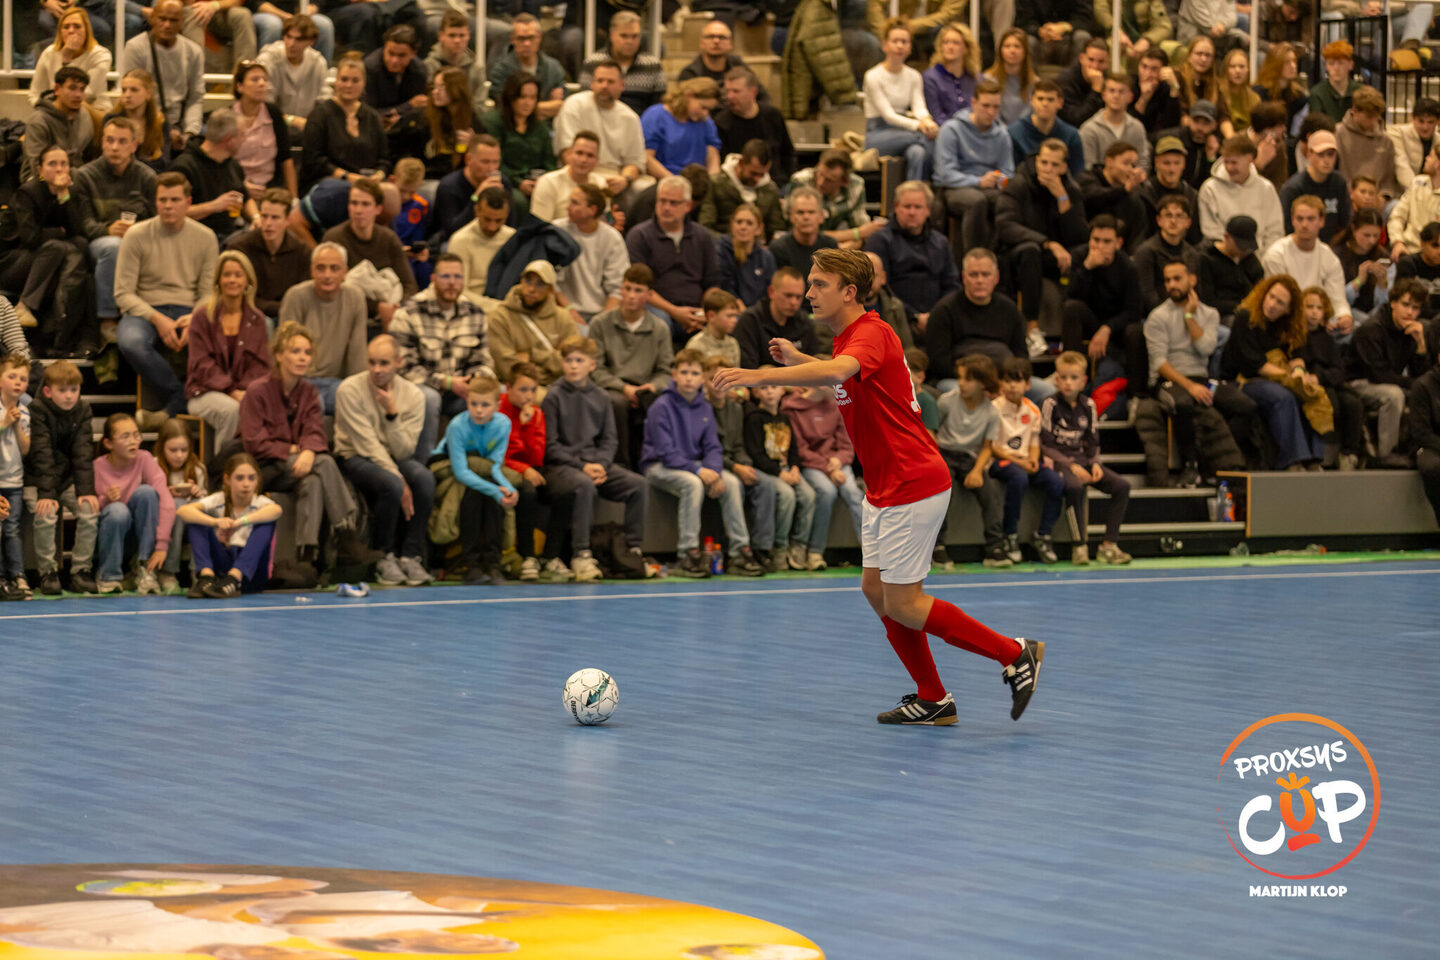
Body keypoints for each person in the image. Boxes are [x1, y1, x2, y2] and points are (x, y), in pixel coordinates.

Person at [712, 248, 1044, 723]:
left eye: (819, 284)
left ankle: (1013, 653)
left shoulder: (869, 333)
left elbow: (838, 372)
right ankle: (933, 698)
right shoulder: (850, 339)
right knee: (876, 590)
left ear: (849, 292)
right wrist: (801, 358)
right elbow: (844, 378)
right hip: (884, 485)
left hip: (913, 480)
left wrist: (759, 375)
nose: (809, 293)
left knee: (905, 603)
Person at [240, 320, 369, 580]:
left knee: (313, 481)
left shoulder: (309, 392)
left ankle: (306, 558)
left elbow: (315, 432)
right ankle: (346, 533)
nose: (302, 358)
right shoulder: (257, 391)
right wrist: (294, 450)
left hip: (297, 467)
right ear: (279, 355)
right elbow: (254, 442)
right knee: (325, 463)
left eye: (307, 352)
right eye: (295, 351)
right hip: (263, 467)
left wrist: (308, 451)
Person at [640, 348, 764, 578]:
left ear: (702, 378)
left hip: (694, 465)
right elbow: (666, 453)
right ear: (674, 374)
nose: (689, 378)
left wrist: (714, 472)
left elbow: (713, 447)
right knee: (693, 484)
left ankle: (739, 552)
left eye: (695, 373)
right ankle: (688, 554)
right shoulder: (661, 406)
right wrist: (699, 470)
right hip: (659, 466)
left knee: (731, 482)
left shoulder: (704, 407)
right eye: (684, 372)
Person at [542, 335, 650, 580]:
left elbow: (610, 440)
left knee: (639, 485)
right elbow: (550, 446)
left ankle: (632, 551)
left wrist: (600, 464)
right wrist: (583, 466)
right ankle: (581, 555)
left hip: (596, 464)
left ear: (592, 365)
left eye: (579, 360)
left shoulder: (602, 397)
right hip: (562, 466)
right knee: (583, 484)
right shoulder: (553, 396)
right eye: (568, 360)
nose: (573, 366)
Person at [116, 171, 219, 419]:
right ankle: (180, 395)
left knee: (219, 339)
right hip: (146, 310)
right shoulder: (136, 234)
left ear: (188, 202)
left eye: (174, 200)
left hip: (189, 309)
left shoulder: (206, 237)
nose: (168, 206)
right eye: (162, 200)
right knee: (131, 342)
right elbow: (123, 293)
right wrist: (157, 319)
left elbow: (208, 293)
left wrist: (195, 317)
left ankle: (176, 408)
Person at [334, 334, 434, 587]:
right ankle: (383, 555)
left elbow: (404, 451)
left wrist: (392, 414)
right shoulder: (349, 389)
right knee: (392, 484)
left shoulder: (413, 395)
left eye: (384, 363)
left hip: (392, 457)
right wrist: (398, 477)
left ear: (399, 362)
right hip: (355, 455)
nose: (376, 369)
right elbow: (365, 443)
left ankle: (410, 556)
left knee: (424, 478)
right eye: (372, 362)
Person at [1145, 259, 1251, 485]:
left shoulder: (1209, 314)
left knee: (1245, 406)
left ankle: (1215, 461)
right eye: (1167, 280)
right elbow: (1159, 363)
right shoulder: (1158, 316)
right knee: (1183, 403)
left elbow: (1206, 349)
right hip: (1168, 380)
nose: (1171, 285)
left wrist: (1189, 317)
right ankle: (1190, 465)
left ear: (1192, 280)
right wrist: (1189, 386)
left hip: (1201, 377)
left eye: (1177, 279)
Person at [390, 253, 495, 466]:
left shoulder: (475, 313)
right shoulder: (409, 312)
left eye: (457, 277)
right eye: (446, 276)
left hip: (460, 389)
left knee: (493, 392)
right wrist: (446, 382)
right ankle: (425, 463)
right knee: (430, 398)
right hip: (421, 387)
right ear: (433, 279)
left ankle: (479, 464)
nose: (452, 283)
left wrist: (475, 380)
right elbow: (404, 367)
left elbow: (483, 359)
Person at [1219, 273, 1325, 469]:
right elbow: (1256, 365)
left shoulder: (1288, 326)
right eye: (1271, 297)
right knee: (1283, 396)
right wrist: (1291, 379)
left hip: (1273, 377)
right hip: (1241, 380)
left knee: (1314, 394)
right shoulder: (1246, 317)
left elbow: (1297, 355)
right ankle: (1291, 461)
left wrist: (1300, 374)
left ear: (1288, 309)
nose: (1272, 304)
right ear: (1264, 294)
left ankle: (1315, 460)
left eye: (1280, 303)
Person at [0, 144, 92, 358]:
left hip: (44, 263)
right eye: (52, 164)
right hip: (11, 262)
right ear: (40, 170)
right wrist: (59, 232)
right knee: (56, 247)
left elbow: (78, 231)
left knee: (78, 247)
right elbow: (30, 238)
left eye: (64, 164)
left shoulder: (70, 192)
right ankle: (24, 305)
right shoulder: (27, 193)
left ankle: (62, 333)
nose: (59, 169)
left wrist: (63, 196)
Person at [1041, 350, 1133, 564]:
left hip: (1083, 460)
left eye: (1073, 378)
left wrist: (1095, 463)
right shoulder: (1050, 404)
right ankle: (1079, 546)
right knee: (1074, 487)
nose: (1068, 383)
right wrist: (1071, 466)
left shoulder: (1089, 405)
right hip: (1059, 462)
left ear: (1083, 381)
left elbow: (1092, 442)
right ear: (1056, 379)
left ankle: (1108, 546)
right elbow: (1046, 444)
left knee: (1122, 486)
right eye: (1063, 377)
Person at [995, 138, 1088, 344]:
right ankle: (1032, 329)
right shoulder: (1018, 184)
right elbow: (1005, 226)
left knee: (1087, 254)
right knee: (1031, 251)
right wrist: (1047, 243)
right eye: (1044, 162)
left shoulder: (1070, 190)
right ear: (1037, 161)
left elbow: (1079, 236)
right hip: (1017, 253)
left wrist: (1062, 199)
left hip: (1055, 256)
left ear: (1063, 168)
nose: (1048, 169)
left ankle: (1076, 332)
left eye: (1054, 164)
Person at [430, 374, 516, 586]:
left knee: (494, 495)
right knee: (474, 493)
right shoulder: (457, 426)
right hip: (447, 468)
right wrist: (496, 491)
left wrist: (508, 489)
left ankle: (493, 563)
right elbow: (461, 472)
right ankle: (471, 565)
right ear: (466, 402)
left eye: (485, 405)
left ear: (497, 406)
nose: (478, 410)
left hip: (482, 470)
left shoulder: (504, 424)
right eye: (473, 404)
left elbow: (495, 465)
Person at [924, 248, 1044, 398]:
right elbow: (939, 362)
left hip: (1005, 381)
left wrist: (1005, 382)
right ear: (964, 277)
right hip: (959, 380)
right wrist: (981, 383)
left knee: (1046, 392)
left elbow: (1021, 355)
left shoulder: (1009, 309)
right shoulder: (944, 310)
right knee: (961, 393)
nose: (979, 280)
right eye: (973, 275)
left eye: (985, 274)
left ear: (996, 277)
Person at [72, 117, 154, 336]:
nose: (115, 147)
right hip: (100, 243)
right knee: (113, 246)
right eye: (110, 140)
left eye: (122, 141)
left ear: (134, 146)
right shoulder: (85, 176)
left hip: (139, 242)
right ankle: (108, 319)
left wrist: (137, 232)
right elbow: (83, 224)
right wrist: (107, 230)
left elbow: (157, 222)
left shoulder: (147, 177)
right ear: (102, 143)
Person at [186, 250, 273, 452]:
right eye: (227, 275)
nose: (232, 280)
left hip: (245, 393)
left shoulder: (258, 320)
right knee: (232, 411)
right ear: (218, 280)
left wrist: (245, 392)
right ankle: (224, 468)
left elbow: (261, 366)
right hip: (204, 393)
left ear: (247, 281)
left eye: (238, 275)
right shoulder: (202, 317)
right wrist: (231, 390)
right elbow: (201, 364)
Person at [24, 360, 98, 595]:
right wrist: (47, 494)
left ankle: (80, 571)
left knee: (89, 509)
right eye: (62, 390)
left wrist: (86, 491)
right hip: (36, 478)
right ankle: (47, 572)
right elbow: (41, 454)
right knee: (46, 513)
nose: (69, 396)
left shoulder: (83, 409)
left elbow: (83, 453)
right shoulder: (37, 410)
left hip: (66, 479)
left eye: (73, 390)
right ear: (48, 391)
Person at [702, 356, 781, 571]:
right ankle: (739, 552)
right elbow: (706, 450)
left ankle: (762, 549)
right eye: (712, 378)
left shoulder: (735, 409)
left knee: (766, 483)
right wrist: (735, 468)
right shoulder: (701, 408)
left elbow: (738, 445)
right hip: (712, 464)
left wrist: (745, 466)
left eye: (723, 378)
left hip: (734, 462)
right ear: (704, 381)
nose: (718, 384)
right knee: (734, 484)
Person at [1345, 277, 1433, 467]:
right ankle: (1387, 455)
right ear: (1393, 302)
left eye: (1416, 308)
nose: (1410, 312)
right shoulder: (1371, 329)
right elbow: (1378, 375)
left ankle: (1420, 451)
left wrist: (1421, 346)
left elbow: (1421, 376)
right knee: (1394, 395)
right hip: (1357, 383)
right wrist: (1416, 385)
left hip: (1388, 381)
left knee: (1424, 393)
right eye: (1405, 305)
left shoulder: (1411, 330)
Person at [626, 175, 722, 348]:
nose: (666, 207)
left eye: (673, 203)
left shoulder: (702, 236)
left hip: (695, 309)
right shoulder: (639, 236)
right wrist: (675, 312)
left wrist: (705, 312)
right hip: (657, 307)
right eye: (662, 201)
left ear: (688, 206)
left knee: (725, 319)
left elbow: (712, 283)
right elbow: (640, 288)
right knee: (660, 322)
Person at [933, 354, 1010, 567]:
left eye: (968, 379)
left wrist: (977, 471)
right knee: (942, 491)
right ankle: (937, 546)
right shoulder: (946, 401)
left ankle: (995, 547)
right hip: (943, 453)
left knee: (990, 493)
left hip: (969, 458)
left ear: (983, 383)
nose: (961, 383)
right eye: (960, 378)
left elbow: (987, 447)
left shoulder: (991, 412)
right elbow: (932, 434)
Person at [276, 241, 367, 415]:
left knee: (356, 401)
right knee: (315, 403)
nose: (327, 275)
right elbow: (286, 350)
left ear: (345, 272)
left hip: (336, 383)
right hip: (300, 381)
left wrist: (360, 391)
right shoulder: (295, 296)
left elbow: (357, 351)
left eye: (334, 268)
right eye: (321, 268)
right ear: (312, 271)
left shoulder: (355, 298)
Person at [1062, 215, 1147, 396]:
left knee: (1135, 330)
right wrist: (1087, 268)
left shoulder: (1128, 267)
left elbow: (1133, 311)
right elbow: (1069, 296)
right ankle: (1070, 378)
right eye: (1095, 240)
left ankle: (1137, 395)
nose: (1099, 246)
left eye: (1106, 241)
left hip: (1116, 327)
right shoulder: (1080, 256)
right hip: (1089, 320)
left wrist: (1108, 328)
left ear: (1118, 243)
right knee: (1071, 308)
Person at [990, 356, 1064, 562]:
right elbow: (991, 447)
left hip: (1024, 460)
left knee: (1056, 482)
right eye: (1007, 381)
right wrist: (1020, 463)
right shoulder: (993, 408)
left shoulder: (1032, 409)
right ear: (1000, 384)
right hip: (1000, 460)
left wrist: (1032, 460)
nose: (1012, 386)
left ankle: (1043, 535)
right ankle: (1010, 535)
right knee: (1019, 478)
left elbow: (1033, 442)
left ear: (1028, 384)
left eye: (1017, 380)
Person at [93, 412, 176, 595]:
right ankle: (108, 576)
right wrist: (106, 499)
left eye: (136, 435)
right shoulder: (98, 466)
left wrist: (162, 545)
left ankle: (144, 568)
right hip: (109, 533)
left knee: (147, 493)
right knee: (117, 510)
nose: (133, 441)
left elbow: (166, 500)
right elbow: (90, 510)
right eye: (125, 436)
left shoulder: (145, 458)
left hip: (139, 535)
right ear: (108, 443)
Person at [175, 452, 279, 598]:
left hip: (250, 573)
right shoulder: (219, 499)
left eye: (251, 478)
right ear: (227, 479)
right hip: (224, 565)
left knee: (266, 522)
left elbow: (276, 510)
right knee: (197, 519)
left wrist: (239, 523)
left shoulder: (260, 502)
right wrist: (215, 522)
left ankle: (235, 578)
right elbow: (183, 511)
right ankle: (206, 577)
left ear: (258, 480)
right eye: (239, 478)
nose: (246, 484)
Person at [743, 373, 818, 571]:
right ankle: (779, 547)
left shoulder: (785, 418)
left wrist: (794, 468)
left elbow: (793, 449)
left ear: (782, 390)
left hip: (787, 470)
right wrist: (779, 473)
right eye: (764, 388)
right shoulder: (754, 418)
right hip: (768, 471)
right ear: (756, 392)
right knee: (787, 496)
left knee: (809, 495)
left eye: (774, 387)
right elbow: (756, 454)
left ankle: (798, 546)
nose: (769, 391)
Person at [322, 180, 418, 330]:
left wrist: (395, 308)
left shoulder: (389, 239)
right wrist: (377, 307)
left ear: (378, 209)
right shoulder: (334, 239)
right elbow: (331, 287)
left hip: (391, 315)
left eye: (365, 204)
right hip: (345, 317)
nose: (358, 210)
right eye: (354, 203)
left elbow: (409, 285)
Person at [934, 81, 1013, 260]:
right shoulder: (952, 129)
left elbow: (1008, 171)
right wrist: (978, 181)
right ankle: (973, 260)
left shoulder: (1002, 134)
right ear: (974, 103)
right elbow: (945, 174)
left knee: (1007, 201)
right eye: (986, 106)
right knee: (976, 201)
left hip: (989, 187)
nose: (991, 112)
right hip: (954, 187)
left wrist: (998, 178)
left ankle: (996, 259)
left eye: (996, 107)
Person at [553, 61, 648, 207]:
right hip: (579, 171)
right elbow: (567, 154)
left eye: (610, 82)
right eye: (600, 81)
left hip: (615, 176)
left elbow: (635, 162)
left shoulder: (630, 118)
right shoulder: (574, 105)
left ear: (622, 86)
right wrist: (591, 179)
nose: (604, 86)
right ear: (592, 83)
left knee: (646, 190)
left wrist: (625, 179)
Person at [866, 181, 959, 330]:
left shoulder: (941, 242)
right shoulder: (880, 240)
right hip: (895, 320)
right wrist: (914, 317)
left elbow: (952, 285)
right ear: (896, 207)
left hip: (937, 319)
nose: (912, 212)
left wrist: (935, 315)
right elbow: (881, 288)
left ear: (928, 210)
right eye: (907, 206)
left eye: (918, 207)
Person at [118, 0, 205, 153]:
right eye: (162, 19)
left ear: (182, 22)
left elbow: (195, 98)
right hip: (147, 124)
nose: (167, 25)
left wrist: (189, 133)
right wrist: (162, 129)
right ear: (152, 18)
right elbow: (132, 96)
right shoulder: (135, 48)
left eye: (173, 20)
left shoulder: (194, 52)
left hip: (181, 124)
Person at [299, 53, 390, 196]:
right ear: (336, 81)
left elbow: (384, 158)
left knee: (391, 193)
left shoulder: (372, 116)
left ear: (364, 83)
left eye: (355, 80)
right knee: (344, 190)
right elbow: (314, 161)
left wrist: (379, 174)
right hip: (328, 182)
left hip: (367, 183)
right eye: (344, 79)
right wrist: (348, 177)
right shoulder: (320, 115)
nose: (349, 85)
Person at [1262, 195, 1352, 336]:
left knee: (1353, 329)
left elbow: (1337, 297)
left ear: (1321, 221)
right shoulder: (1276, 255)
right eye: (1299, 219)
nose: (1304, 225)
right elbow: (1278, 302)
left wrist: (1344, 316)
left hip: (1318, 318)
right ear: (1292, 221)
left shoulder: (1329, 257)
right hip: (1285, 320)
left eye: (1310, 219)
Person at [863, 20, 939, 183]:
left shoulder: (914, 76)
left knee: (918, 152)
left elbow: (919, 108)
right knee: (924, 138)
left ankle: (913, 193)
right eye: (895, 41)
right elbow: (888, 115)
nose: (900, 46)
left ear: (910, 47)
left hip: (905, 131)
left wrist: (927, 121)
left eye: (904, 42)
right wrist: (920, 126)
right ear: (884, 45)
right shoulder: (872, 76)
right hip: (878, 134)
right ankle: (939, 181)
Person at [1299, 286, 1366, 470]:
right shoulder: (1294, 336)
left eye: (1319, 308)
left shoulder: (1327, 339)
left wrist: (1321, 377)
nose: (1314, 312)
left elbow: (1339, 369)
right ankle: (1316, 458)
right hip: (1306, 384)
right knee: (1327, 403)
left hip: (1329, 381)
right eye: (1310, 307)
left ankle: (1349, 454)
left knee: (1353, 403)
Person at [487, 260, 578, 387]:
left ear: (550, 290)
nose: (531, 289)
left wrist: (534, 355)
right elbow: (507, 368)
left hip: (560, 386)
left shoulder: (563, 318)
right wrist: (551, 368)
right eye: (528, 281)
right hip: (520, 388)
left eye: (540, 284)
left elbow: (573, 363)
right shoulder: (500, 317)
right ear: (521, 282)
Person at [170, 108, 256, 242]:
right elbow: (173, 212)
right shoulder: (184, 167)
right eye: (242, 135)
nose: (245, 139)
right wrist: (214, 206)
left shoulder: (232, 164)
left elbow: (245, 198)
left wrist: (256, 217)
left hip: (231, 235)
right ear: (229, 140)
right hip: (194, 239)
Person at [480, 72, 556, 215]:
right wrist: (519, 182)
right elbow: (494, 162)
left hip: (536, 181)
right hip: (505, 181)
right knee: (518, 201)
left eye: (532, 97)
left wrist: (543, 180)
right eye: (522, 97)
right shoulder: (493, 122)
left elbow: (550, 162)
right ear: (511, 97)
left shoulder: (539, 126)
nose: (528, 103)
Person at [224, 188, 308, 318]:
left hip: (289, 314)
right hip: (249, 313)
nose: (268, 223)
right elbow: (237, 294)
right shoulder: (240, 248)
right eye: (264, 216)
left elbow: (303, 295)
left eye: (275, 218)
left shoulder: (301, 251)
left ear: (287, 220)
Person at [554, 185, 627, 325]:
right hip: (564, 311)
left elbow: (618, 287)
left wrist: (602, 322)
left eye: (574, 203)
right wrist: (569, 311)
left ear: (592, 210)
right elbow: (551, 282)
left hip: (602, 313)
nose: (568, 207)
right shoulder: (557, 231)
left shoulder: (612, 238)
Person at [1198, 134, 1284, 250]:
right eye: (1226, 162)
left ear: (1250, 159)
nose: (1229, 167)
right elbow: (1211, 232)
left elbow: (1274, 231)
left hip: (1260, 256)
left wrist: (1264, 257)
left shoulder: (1266, 188)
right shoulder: (1210, 189)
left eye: (1234, 163)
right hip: (1223, 256)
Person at [787, 149, 887, 248]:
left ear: (844, 182)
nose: (820, 182)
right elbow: (800, 231)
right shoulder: (800, 181)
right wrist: (856, 233)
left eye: (829, 180)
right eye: (820, 174)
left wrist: (854, 239)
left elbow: (862, 231)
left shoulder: (855, 186)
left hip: (842, 242)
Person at [577, 11, 667, 117]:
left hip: (640, 123)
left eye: (635, 36)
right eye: (624, 36)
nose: (629, 41)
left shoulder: (653, 66)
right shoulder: (593, 62)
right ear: (611, 35)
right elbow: (584, 101)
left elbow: (658, 109)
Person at [714, 67, 795, 184]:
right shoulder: (721, 122)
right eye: (727, 91)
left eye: (736, 91)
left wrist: (787, 179)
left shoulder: (773, 115)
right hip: (740, 184)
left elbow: (788, 153)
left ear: (753, 92)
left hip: (776, 183)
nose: (730, 96)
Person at [230, 61, 297, 201]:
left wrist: (294, 200)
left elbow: (286, 160)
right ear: (240, 86)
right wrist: (243, 187)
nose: (262, 84)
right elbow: (221, 163)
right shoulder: (228, 117)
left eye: (265, 79)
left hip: (270, 189)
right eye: (255, 79)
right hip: (236, 189)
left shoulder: (273, 113)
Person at [23, 66, 101, 182]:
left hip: (76, 179)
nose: (78, 95)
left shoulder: (85, 116)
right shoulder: (39, 121)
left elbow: (89, 158)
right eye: (72, 88)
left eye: (82, 89)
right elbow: (38, 168)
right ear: (57, 89)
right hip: (40, 181)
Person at [735, 268, 822, 368]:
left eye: (798, 297)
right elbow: (747, 369)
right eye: (788, 295)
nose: (794, 302)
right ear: (771, 292)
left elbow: (814, 364)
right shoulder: (750, 321)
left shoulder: (804, 321)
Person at [701, 139, 786, 240]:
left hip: (759, 246)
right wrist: (729, 243)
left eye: (762, 174)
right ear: (741, 163)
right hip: (722, 245)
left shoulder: (770, 189)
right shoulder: (715, 184)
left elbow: (776, 229)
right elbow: (706, 227)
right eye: (753, 173)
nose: (757, 179)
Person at [362, 25, 429, 154]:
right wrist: (408, 106)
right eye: (390, 53)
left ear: (413, 54)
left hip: (407, 130)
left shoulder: (420, 71)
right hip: (373, 131)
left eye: (401, 55)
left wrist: (400, 117)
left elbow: (419, 111)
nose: (394, 60)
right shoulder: (370, 68)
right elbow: (369, 113)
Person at [487, 14, 567, 120]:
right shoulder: (500, 71)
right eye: (521, 38)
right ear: (512, 39)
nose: (527, 43)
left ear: (539, 37)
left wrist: (522, 107)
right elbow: (505, 109)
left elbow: (561, 106)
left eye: (531, 37)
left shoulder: (553, 68)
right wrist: (546, 107)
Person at [30, 7, 112, 111]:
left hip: (91, 110)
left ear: (86, 31)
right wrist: (45, 110)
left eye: (77, 26)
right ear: (60, 31)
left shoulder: (101, 55)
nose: (71, 31)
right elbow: (35, 93)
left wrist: (66, 59)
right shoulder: (49, 53)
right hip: (54, 111)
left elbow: (83, 94)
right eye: (66, 27)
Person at [641, 78, 722, 180]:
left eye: (709, 110)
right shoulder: (655, 115)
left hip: (697, 181)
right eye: (703, 107)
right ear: (689, 95)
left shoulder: (706, 122)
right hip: (663, 179)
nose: (705, 114)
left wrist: (713, 180)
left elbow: (713, 157)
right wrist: (675, 181)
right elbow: (647, 158)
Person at [1133, 194, 1201, 314]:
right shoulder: (1146, 252)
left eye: (1179, 216)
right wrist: (1169, 316)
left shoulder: (1192, 254)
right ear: (1159, 220)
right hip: (1156, 315)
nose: (1173, 221)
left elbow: (1196, 290)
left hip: (1187, 312)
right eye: (1168, 215)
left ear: (1188, 222)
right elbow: (1146, 294)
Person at [256, 15, 331, 122]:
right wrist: (293, 121)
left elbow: (324, 101)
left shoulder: (318, 63)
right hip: (272, 125)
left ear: (311, 41)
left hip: (307, 126)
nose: (291, 44)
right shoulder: (268, 60)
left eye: (298, 39)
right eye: (288, 37)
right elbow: (263, 106)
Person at [1075, 141, 1148, 252]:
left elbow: (1137, 234)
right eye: (1126, 163)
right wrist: (1124, 189)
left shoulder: (1132, 196)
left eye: (1133, 165)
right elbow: (1093, 197)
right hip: (1086, 248)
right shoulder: (1087, 178)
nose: (1131, 170)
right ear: (1109, 162)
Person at [1336, 86, 1402, 205]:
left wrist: (1382, 198)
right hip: (1346, 197)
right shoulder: (1338, 134)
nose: (1373, 121)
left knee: (1394, 206)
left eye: (1376, 117)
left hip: (1377, 199)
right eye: (1369, 117)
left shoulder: (1386, 141)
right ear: (1355, 111)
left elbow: (1388, 181)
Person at [448, 188, 515, 304]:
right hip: (472, 306)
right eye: (487, 219)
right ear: (476, 211)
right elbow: (459, 290)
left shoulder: (513, 238)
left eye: (499, 220)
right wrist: (495, 307)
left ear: (507, 215)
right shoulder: (460, 241)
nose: (492, 227)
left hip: (507, 304)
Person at [1279, 128, 1349, 238]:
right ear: (1309, 154)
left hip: (1331, 245)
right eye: (1321, 155)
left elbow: (1346, 222)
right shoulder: (1293, 188)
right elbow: (1286, 227)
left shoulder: (1339, 182)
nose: (1326, 160)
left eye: (1330, 155)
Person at [1008, 79, 1084, 177]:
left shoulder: (1071, 135)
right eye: (1040, 99)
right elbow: (1012, 173)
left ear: (1060, 103)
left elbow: (1078, 175)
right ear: (1031, 101)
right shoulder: (1014, 133)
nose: (1045, 104)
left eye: (1050, 99)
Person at [0, 358, 31, 600]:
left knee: (11, 530)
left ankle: (18, 576)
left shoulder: (25, 411)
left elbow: (25, 449)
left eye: (23, 379)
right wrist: (4, 423)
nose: (17, 382)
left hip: (14, 482)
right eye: (12, 376)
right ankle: (1, 578)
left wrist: (17, 425)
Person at [1198, 213, 1264, 322]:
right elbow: (1208, 301)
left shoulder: (1249, 258)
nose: (1244, 251)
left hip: (1249, 310)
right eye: (1240, 247)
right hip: (1222, 315)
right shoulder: (1208, 259)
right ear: (1226, 237)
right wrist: (1240, 306)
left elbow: (1259, 285)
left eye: (1247, 247)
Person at [532, 133, 611, 224]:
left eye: (590, 155)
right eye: (579, 153)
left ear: (597, 160)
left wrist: (613, 222)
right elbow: (539, 226)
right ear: (569, 154)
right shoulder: (547, 182)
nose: (583, 160)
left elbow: (605, 222)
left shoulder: (600, 183)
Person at [1079, 71, 1150, 170]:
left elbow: (1143, 162)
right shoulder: (1089, 130)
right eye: (1111, 91)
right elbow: (1088, 166)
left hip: (1132, 179)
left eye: (1121, 92)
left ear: (1130, 97)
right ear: (1103, 95)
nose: (1116, 96)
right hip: (1099, 179)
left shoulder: (1137, 128)